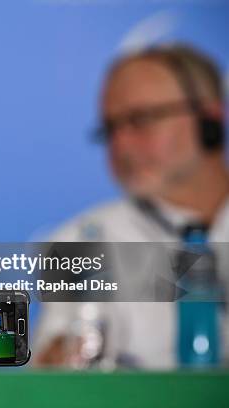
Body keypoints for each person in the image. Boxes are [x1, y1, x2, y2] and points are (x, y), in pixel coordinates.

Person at [34, 43, 229, 369]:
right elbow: (55, 373)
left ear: (209, 119)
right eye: (110, 128)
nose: (121, 145)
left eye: (142, 119)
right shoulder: (80, 242)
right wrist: (58, 360)